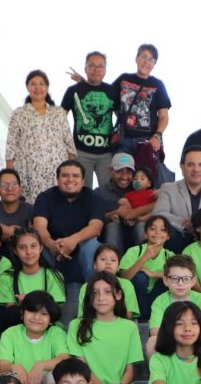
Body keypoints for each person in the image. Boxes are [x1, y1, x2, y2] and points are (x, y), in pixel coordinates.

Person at [66, 272, 143, 384]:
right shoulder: (76, 325)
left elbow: (130, 369)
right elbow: (81, 366)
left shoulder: (129, 327)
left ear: (118, 295)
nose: (101, 298)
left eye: (107, 292)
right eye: (95, 293)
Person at [0, 291, 69, 384]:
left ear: (50, 319)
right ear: (22, 314)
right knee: (11, 375)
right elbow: (1, 367)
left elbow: (65, 359)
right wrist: (14, 367)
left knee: (54, 377)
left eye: (44, 313)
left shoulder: (56, 333)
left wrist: (41, 365)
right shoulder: (10, 333)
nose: (37, 318)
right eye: (32, 311)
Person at [31, 160, 105, 286]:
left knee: (92, 245)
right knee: (35, 243)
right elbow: (39, 227)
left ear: (83, 181)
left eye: (75, 176)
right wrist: (51, 244)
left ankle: (94, 289)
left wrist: (73, 240)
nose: (70, 180)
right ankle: (43, 288)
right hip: (52, 248)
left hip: (82, 249)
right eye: (65, 175)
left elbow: (96, 228)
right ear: (57, 179)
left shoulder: (94, 197)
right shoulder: (45, 197)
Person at [6, 70, 77, 200]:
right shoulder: (18, 113)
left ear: (47, 87)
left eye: (41, 84)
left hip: (56, 171)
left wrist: (70, 171)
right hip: (28, 172)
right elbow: (10, 145)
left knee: (56, 205)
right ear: (27, 87)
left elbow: (69, 143)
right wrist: (10, 175)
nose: (37, 87)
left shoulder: (59, 112)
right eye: (33, 84)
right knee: (31, 207)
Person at [110, 44, 172, 181]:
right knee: (122, 178)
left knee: (147, 180)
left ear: (154, 64)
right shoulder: (124, 79)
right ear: (136, 58)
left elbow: (164, 116)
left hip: (147, 141)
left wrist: (157, 136)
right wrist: (84, 83)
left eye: (151, 59)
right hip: (123, 141)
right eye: (144, 56)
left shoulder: (158, 84)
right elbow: (108, 99)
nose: (146, 62)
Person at [61, 51, 117, 189]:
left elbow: (122, 118)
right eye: (92, 66)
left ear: (105, 70)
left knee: (110, 193)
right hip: (81, 152)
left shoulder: (112, 91)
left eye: (100, 66)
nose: (96, 69)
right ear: (85, 69)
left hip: (106, 154)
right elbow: (59, 120)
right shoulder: (73, 91)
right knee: (82, 192)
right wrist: (67, 147)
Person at [0, 230, 66, 335]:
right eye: (22, 247)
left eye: (33, 246)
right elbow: (11, 313)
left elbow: (54, 312)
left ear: (41, 248)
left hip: (49, 332)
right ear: (15, 251)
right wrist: (39, 305)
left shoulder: (54, 276)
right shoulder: (7, 277)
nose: (29, 252)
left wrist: (26, 302)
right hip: (18, 330)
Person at [146, 255, 201, 356]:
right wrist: (179, 338)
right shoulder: (160, 301)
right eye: (175, 278)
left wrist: (186, 339)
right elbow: (154, 331)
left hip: (195, 341)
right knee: (152, 341)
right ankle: (159, 367)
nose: (180, 283)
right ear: (166, 280)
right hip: (170, 344)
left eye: (186, 279)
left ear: (193, 281)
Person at [93, 152, 155, 253]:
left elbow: (159, 204)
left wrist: (136, 214)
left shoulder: (142, 187)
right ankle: (113, 261)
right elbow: (93, 219)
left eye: (129, 172)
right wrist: (114, 214)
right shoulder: (100, 192)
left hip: (136, 232)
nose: (124, 177)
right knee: (113, 227)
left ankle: (144, 260)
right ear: (111, 170)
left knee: (142, 226)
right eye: (119, 171)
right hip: (111, 236)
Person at [120, 214, 174, 322]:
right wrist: (144, 257)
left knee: (167, 279)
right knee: (140, 277)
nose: (157, 232)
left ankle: (159, 316)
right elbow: (124, 278)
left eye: (163, 230)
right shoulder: (134, 251)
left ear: (168, 236)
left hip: (157, 298)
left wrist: (154, 274)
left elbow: (177, 277)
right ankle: (139, 318)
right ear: (145, 234)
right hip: (136, 299)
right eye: (153, 229)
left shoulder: (169, 255)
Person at [77, 244, 140, 318]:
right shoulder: (86, 287)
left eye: (113, 260)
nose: (108, 262)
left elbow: (129, 314)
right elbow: (83, 316)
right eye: (103, 259)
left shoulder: (126, 284)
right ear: (95, 264)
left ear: (118, 266)